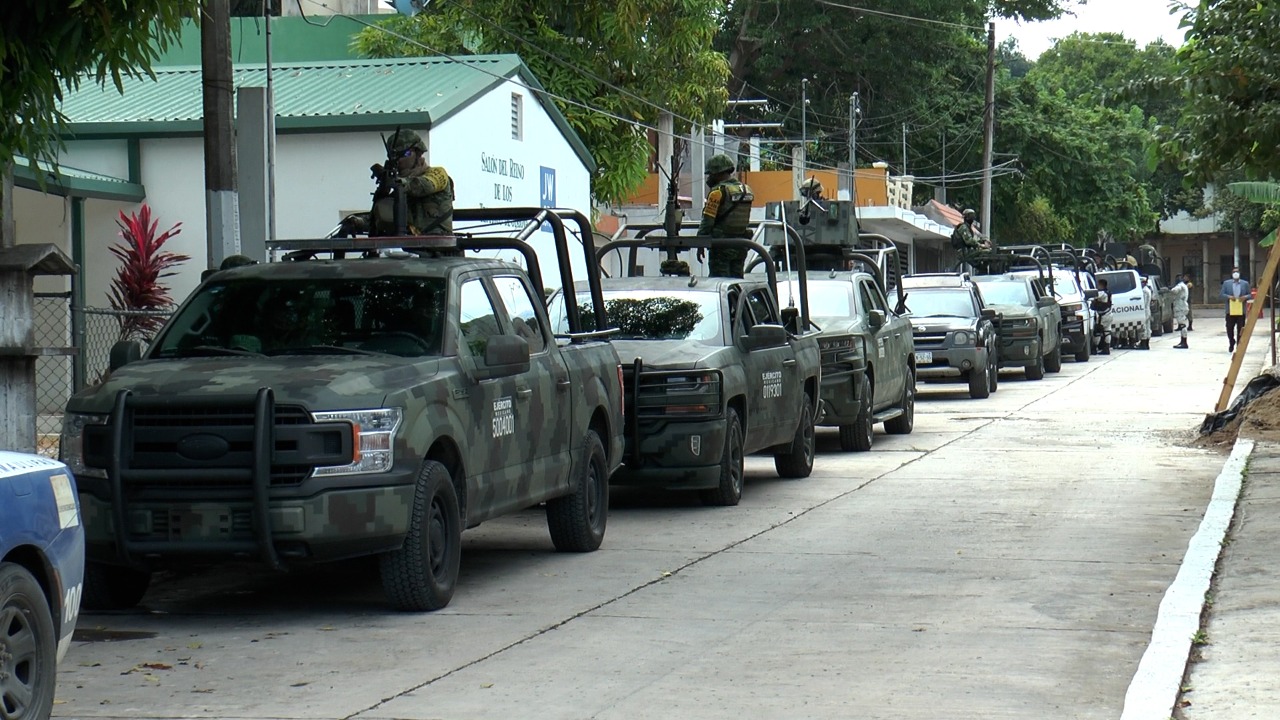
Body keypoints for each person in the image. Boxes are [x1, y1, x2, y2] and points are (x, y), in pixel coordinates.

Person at [371, 129, 455, 237]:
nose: (399, 160)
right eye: (394, 156)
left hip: (439, 248)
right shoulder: (398, 191)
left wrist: (395, 180)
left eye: (405, 154)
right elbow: (382, 217)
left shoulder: (437, 173)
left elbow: (421, 186)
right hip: (411, 248)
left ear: (418, 153)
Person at [696, 154, 754, 278]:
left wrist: (700, 243)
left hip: (721, 247)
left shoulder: (717, 192)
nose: (709, 177)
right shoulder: (745, 189)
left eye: (711, 174)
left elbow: (708, 222)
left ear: (718, 173)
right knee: (737, 283)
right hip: (741, 245)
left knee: (719, 283)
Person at [1220, 266, 1251, 352]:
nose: (1235, 273)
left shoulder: (1245, 283)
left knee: (1241, 328)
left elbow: (1250, 294)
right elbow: (1221, 295)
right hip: (1230, 310)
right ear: (1231, 273)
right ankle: (1231, 341)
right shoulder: (1226, 283)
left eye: (1237, 272)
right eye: (1234, 272)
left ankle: (1239, 345)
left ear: (1240, 274)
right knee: (1229, 327)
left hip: (1241, 310)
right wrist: (1229, 297)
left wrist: (1245, 297)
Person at [1092, 277, 1113, 355]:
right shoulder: (1109, 292)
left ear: (1101, 285)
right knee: (1107, 331)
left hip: (1102, 315)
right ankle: (1106, 348)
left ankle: (1094, 348)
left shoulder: (1102, 293)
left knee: (1097, 331)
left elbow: (1093, 297)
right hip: (1109, 314)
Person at [1171, 273, 1191, 349]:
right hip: (1183, 305)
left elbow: (1174, 291)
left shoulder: (1180, 285)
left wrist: (1170, 290)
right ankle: (1182, 341)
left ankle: (1184, 342)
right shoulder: (1184, 285)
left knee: (1182, 325)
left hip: (1180, 306)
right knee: (1182, 324)